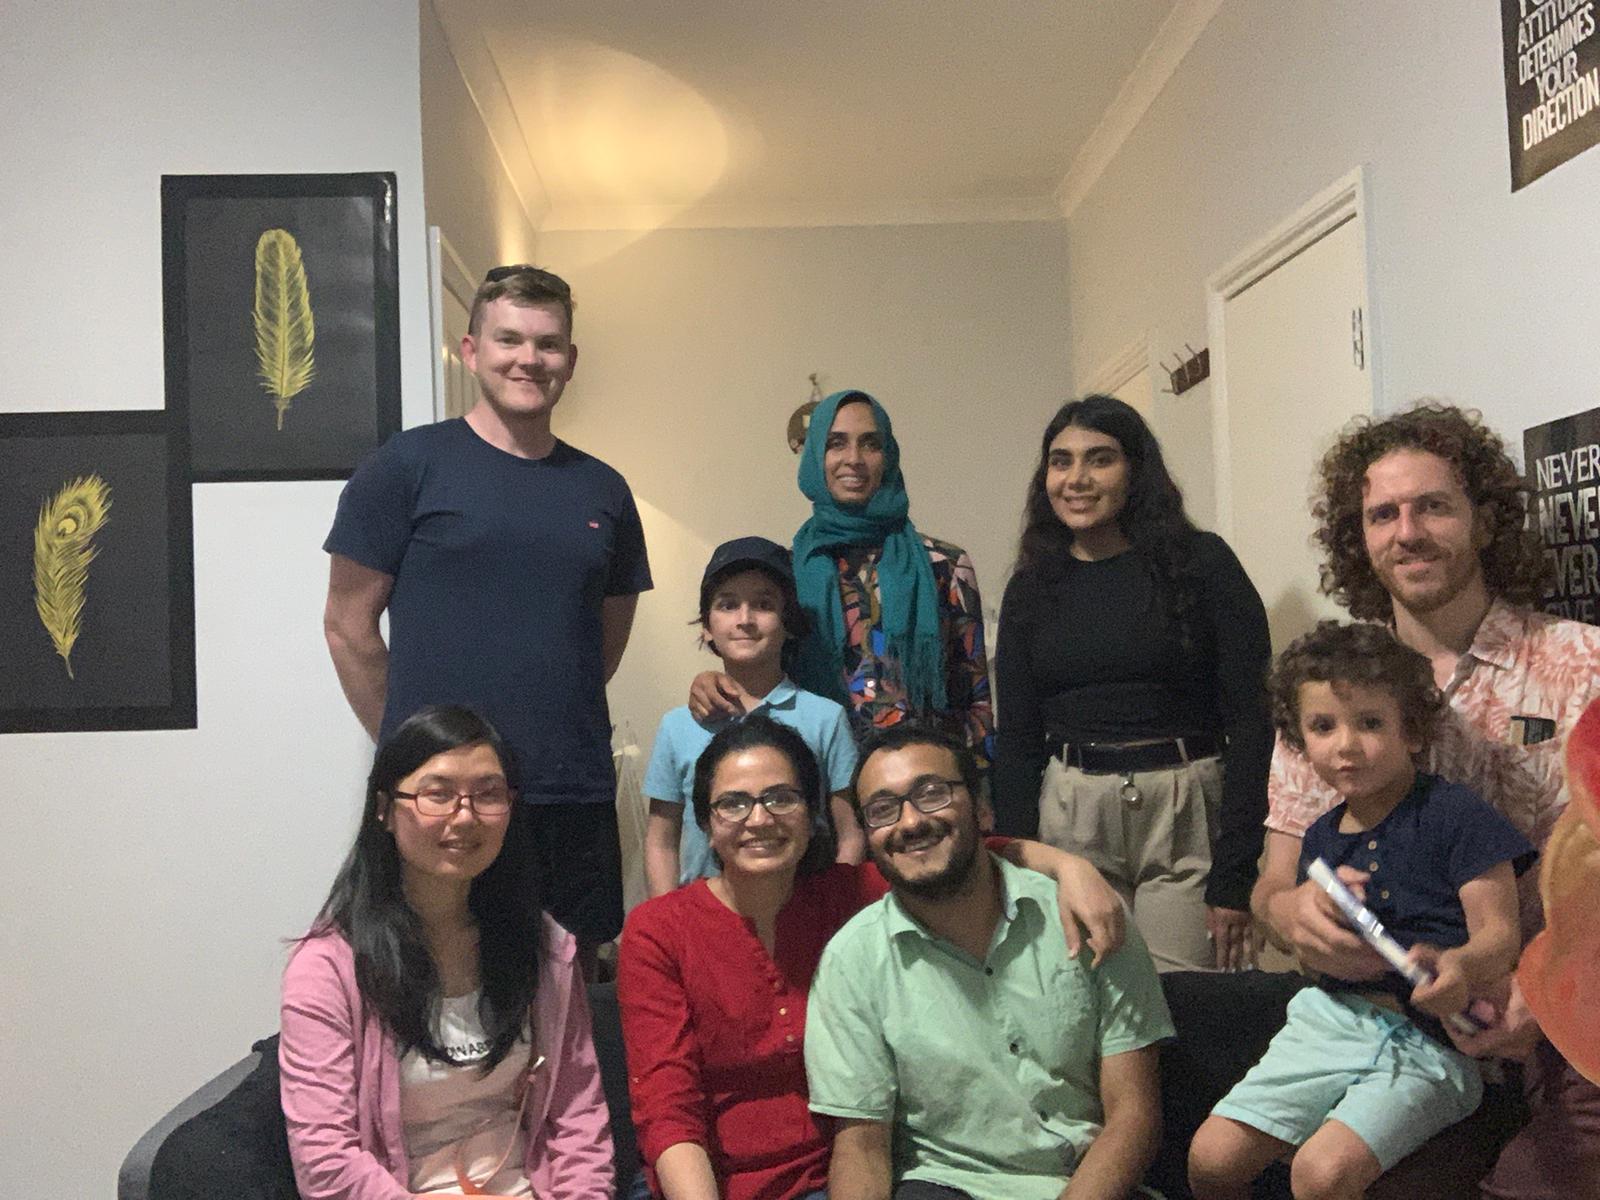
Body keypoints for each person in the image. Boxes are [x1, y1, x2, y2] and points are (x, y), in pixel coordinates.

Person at [1250, 402, 1600, 1198]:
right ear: (1360, 538)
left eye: (1433, 506)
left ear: (1485, 519)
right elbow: (1269, 886)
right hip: (1392, 1039)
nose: (1407, 532)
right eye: (1383, 514)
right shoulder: (1326, 690)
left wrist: (1547, 988)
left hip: (1559, 1036)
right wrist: (1292, 913)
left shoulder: (1583, 666)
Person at [618, 715, 1127, 1200]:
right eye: (733, 804)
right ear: (706, 823)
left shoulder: (851, 897)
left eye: (781, 798)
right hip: (708, 1183)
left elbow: (957, 852)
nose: (759, 819)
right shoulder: (660, 931)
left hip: (847, 1175)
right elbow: (668, 1110)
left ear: (813, 814)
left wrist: (1067, 866)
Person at [322, 265, 652, 969]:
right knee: (430, 986)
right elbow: (348, 627)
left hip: (570, 790)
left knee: (567, 997)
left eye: (548, 343)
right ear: (471, 350)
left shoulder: (604, 491)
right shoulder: (406, 466)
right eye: (509, 339)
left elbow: (600, 646)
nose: (529, 359)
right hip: (444, 806)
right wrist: (415, 753)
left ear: (570, 360)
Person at [1189, 622, 1532, 1200]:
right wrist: (1323, 931)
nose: (1346, 744)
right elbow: (1309, 951)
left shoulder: (1456, 815)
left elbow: (1500, 935)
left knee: (1320, 1174)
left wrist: (1461, 967)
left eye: (1370, 723)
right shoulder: (1320, 837)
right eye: (1323, 727)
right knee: (1211, 1160)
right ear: (1300, 741)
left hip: (1431, 1045)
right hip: (1328, 1022)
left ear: (1412, 731)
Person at [807, 723, 1174, 1200]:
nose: (910, 822)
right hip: (949, 1184)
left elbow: (1133, 1114)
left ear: (981, 808)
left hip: (1092, 1183)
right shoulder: (851, 961)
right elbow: (862, 1150)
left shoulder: (1089, 915)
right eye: (883, 809)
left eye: (932, 794)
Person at [279, 705, 613, 1200]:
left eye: (488, 794)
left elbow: (579, 1121)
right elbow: (326, 1163)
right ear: (384, 808)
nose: (465, 816)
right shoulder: (327, 969)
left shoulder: (542, 946)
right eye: (438, 794)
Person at [993, 395, 1273, 973]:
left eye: (1100, 459)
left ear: (1136, 471)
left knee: (1185, 994)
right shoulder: (1031, 586)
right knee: (1091, 992)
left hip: (1184, 810)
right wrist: (1016, 862)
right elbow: (1017, 740)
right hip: (1071, 813)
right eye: (1061, 461)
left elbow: (1253, 720)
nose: (1076, 478)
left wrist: (1236, 873)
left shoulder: (1203, 564)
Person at [690, 390, 993, 768]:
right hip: (817, 775)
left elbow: (976, 698)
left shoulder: (943, 565)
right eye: (836, 443)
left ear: (888, 456)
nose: (854, 458)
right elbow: (760, 675)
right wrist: (709, 681)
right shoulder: (787, 573)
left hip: (921, 782)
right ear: (816, 456)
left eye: (870, 443)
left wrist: (979, 787)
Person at [642, 536, 863, 896]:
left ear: (787, 621)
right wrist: (667, 916)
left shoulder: (826, 718)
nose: (744, 620)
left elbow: (850, 833)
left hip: (803, 908)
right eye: (727, 605)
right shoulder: (678, 726)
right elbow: (661, 840)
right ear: (707, 625)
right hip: (704, 912)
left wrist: (833, 905)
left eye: (763, 604)